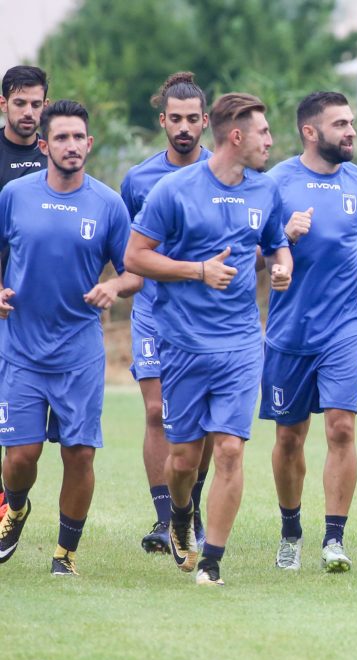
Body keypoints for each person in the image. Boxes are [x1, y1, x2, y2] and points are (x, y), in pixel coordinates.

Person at [124, 92, 292, 586]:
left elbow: (277, 245)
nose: (270, 141)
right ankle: (180, 515)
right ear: (236, 136)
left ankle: (212, 560)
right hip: (183, 343)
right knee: (183, 459)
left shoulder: (266, 190)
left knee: (231, 450)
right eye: (263, 132)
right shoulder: (174, 190)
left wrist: (281, 267)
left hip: (241, 342)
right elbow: (135, 257)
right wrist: (197, 270)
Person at [0, 100, 139, 576]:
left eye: (79, 137)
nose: (71, 145)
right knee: (21, 456)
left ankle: (65, 555)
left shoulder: (108, 204)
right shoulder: (14, 195)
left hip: (79, 350)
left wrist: (114, 287)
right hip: (20, 348)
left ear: (90, 143)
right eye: (61, 137)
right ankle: (16, 507)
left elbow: (135, 271)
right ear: (44, 146)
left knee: (79, 453)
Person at [263, 91, 357, 571]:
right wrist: (284, 237)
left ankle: (334, 540)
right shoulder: (274, 183)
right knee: (289, 438)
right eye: (340, 124)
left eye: (351, 122)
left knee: (342, 427)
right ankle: (291, 532)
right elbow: (249, 254)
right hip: (289, 330)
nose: (351, 132)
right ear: (310, 131)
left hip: (346, 325)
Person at [120, 72, 214, 555]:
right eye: (175, 118)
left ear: (205, 121)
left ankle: (188, 509)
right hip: (154, 312)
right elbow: (127, 252)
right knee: (157, 411)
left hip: (207, 318)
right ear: (162, 121)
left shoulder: (223, 174)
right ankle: (166, 519)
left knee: (204, 419)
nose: (183, 127)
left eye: (192, 119)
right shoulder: (138, 180)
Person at [0, 64, 49, 521]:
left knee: (19, 430)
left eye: (36, 104)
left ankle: (10, 502)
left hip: (37, 317)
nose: (29, 112)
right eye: (20, 103)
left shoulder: (57, 154)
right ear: (3, 104)